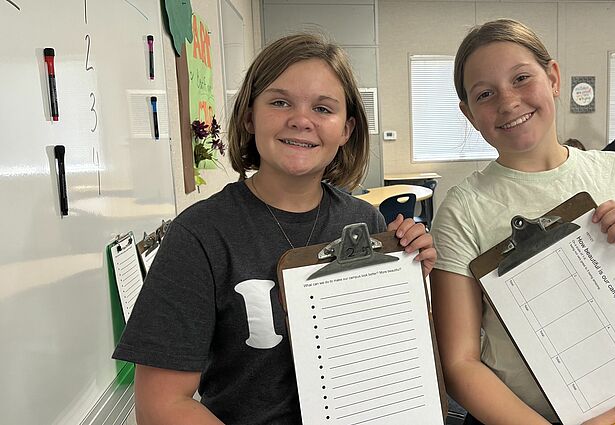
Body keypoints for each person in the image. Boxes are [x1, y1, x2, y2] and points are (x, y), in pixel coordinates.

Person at [112, 34, 436, 424]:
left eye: (322, 108)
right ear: (250, 116)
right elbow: (161, 405)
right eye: (280, 102)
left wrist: (410, 280)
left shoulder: (365, 223)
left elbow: (384, 359)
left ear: (347, 129)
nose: (301, 120)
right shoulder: (200, 236)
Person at [430, 19, 615, 425]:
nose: (507, 102)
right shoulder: (462, 209)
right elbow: (459, 363)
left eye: (521, 78)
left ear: (553, 78)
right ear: (469, 114)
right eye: (485, 94)